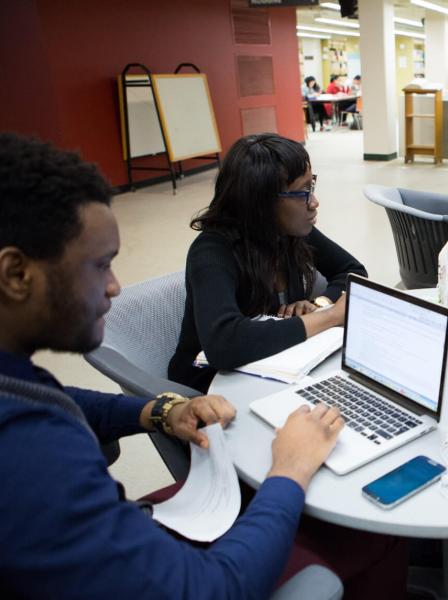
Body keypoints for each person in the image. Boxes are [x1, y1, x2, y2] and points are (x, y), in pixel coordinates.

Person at [0, 132, 344, 598]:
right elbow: (213, 588)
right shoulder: (34, 455)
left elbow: (59, 398)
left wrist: (153, 411)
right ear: (16, 275)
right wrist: (290, 470)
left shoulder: (20, 389)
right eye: (100, 265)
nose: (116, 287)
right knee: (343, 553)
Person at [169, 133, 366, 393]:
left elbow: (353, 271)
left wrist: (320, 304)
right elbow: (224, 344)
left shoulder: (289, 231)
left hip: (275, 371)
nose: (314, 202)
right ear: (262, 201)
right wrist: (329, 317)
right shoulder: (212, 251)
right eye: (302, 192)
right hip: (209, 392)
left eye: (312, 186)